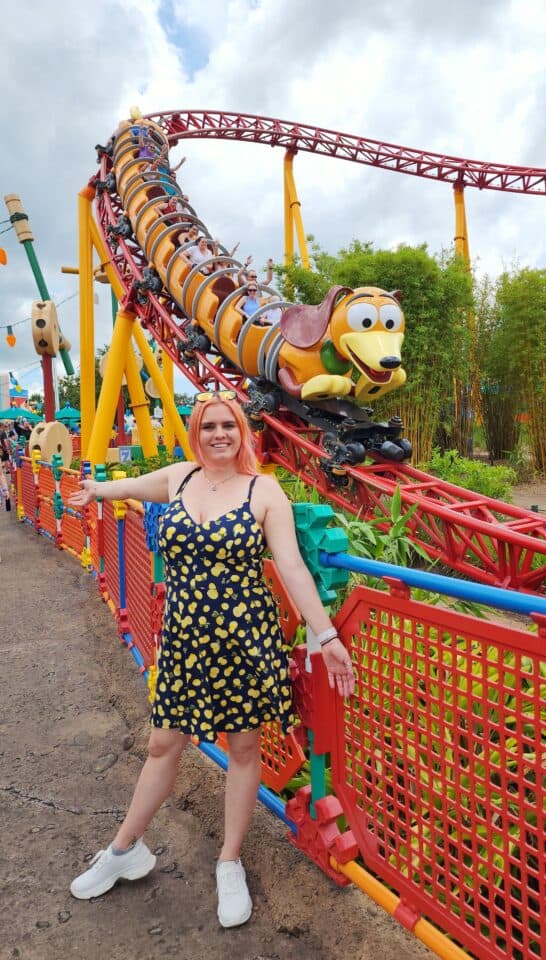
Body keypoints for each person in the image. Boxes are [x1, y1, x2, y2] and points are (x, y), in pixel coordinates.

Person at [68, 391, 355, 927]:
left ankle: (229, 862)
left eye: (228, 425)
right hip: (183, 638)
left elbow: (291, 567)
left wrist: (327, 635)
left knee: (244, 747)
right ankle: (124, 850)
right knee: (162, 742)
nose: (219, 434)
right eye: (208, 427)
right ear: (195, 434)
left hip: (245, 638)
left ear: (243, 432)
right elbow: (125, 486)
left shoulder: (263, 491)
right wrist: (95, 490)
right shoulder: (178, 478)